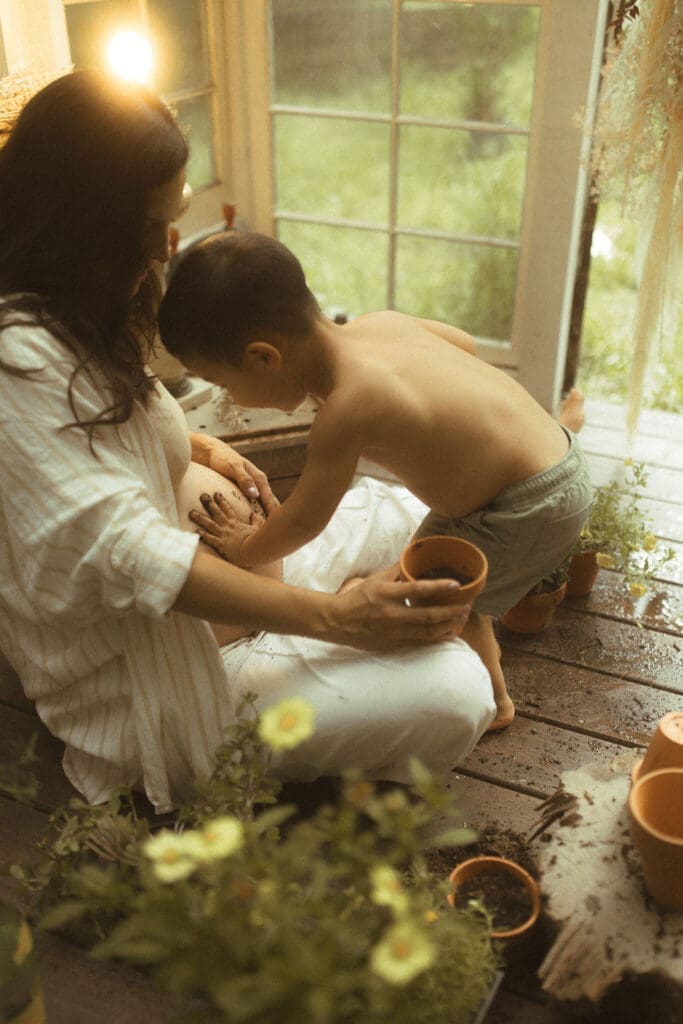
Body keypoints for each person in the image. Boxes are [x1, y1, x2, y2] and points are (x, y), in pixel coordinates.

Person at [0, 70, 496, 813]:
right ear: (87, 222)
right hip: (170, 681)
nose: (169, 243)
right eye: (153, 222)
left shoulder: (74, 307)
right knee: (456, 690)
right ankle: (327, 641)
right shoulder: (14, 361)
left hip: (242, 576)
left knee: (403, 509)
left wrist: (199, 449)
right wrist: (343, 619)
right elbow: (126, 550)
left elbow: (99, 448)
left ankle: (331, 612)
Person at [158, 232, 594, 732]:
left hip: (522, 505)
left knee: (444, 606)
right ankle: (454, 614)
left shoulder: (347, 409)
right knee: (454, 583)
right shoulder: (379, 324)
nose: (228, 396)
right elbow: (465, 345)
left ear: (264, 357)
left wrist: (246, 545)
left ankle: (497, 705)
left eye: (224, 384)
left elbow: (305, 519)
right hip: (548, 456)